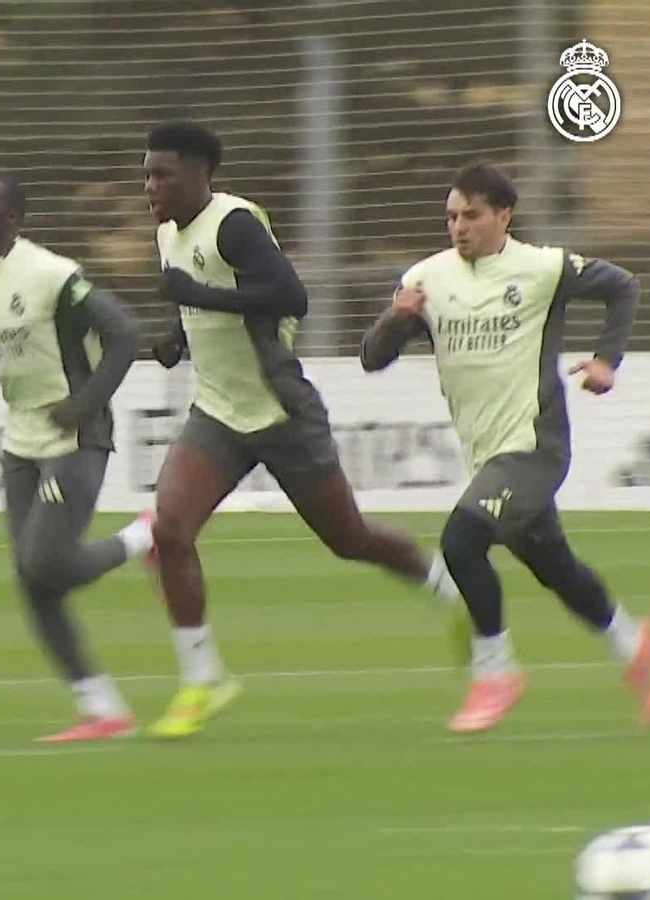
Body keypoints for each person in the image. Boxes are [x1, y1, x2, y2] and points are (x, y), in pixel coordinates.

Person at [141, 120, 461, 739]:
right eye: (146, 175)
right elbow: (209, 298)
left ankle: (445, 586)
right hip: (218, 413)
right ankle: (203, 680)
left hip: (281, 412)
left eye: (162, 174)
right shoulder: (167, 234)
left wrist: (196, 298)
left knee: (350, 539)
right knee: (170, 531)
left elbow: (290, 296)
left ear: (199, 174)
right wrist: (177, 336)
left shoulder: (233, 223)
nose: (150, 186)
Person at [359, 161, 650, 733]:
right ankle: (634, 643)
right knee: (557, 568)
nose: (459, 226)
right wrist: (396, 319)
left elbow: (623, 286)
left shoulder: (543, 268)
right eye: (452, 217)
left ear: (504, 216)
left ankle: (496, 672)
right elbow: (372, 358)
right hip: (486, 453)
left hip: (533, 445)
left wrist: (607, 360)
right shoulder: (428, 278)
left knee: (461, 540)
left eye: (472, 215)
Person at [0, 173, 155, 743]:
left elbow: (126, 335)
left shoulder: (52, 276)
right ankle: (104, 711)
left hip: (76, 440)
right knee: (33, 580)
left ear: (12, 218)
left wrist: (83, 404)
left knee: (46, 563)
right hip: (21, 445)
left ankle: (145, 536)